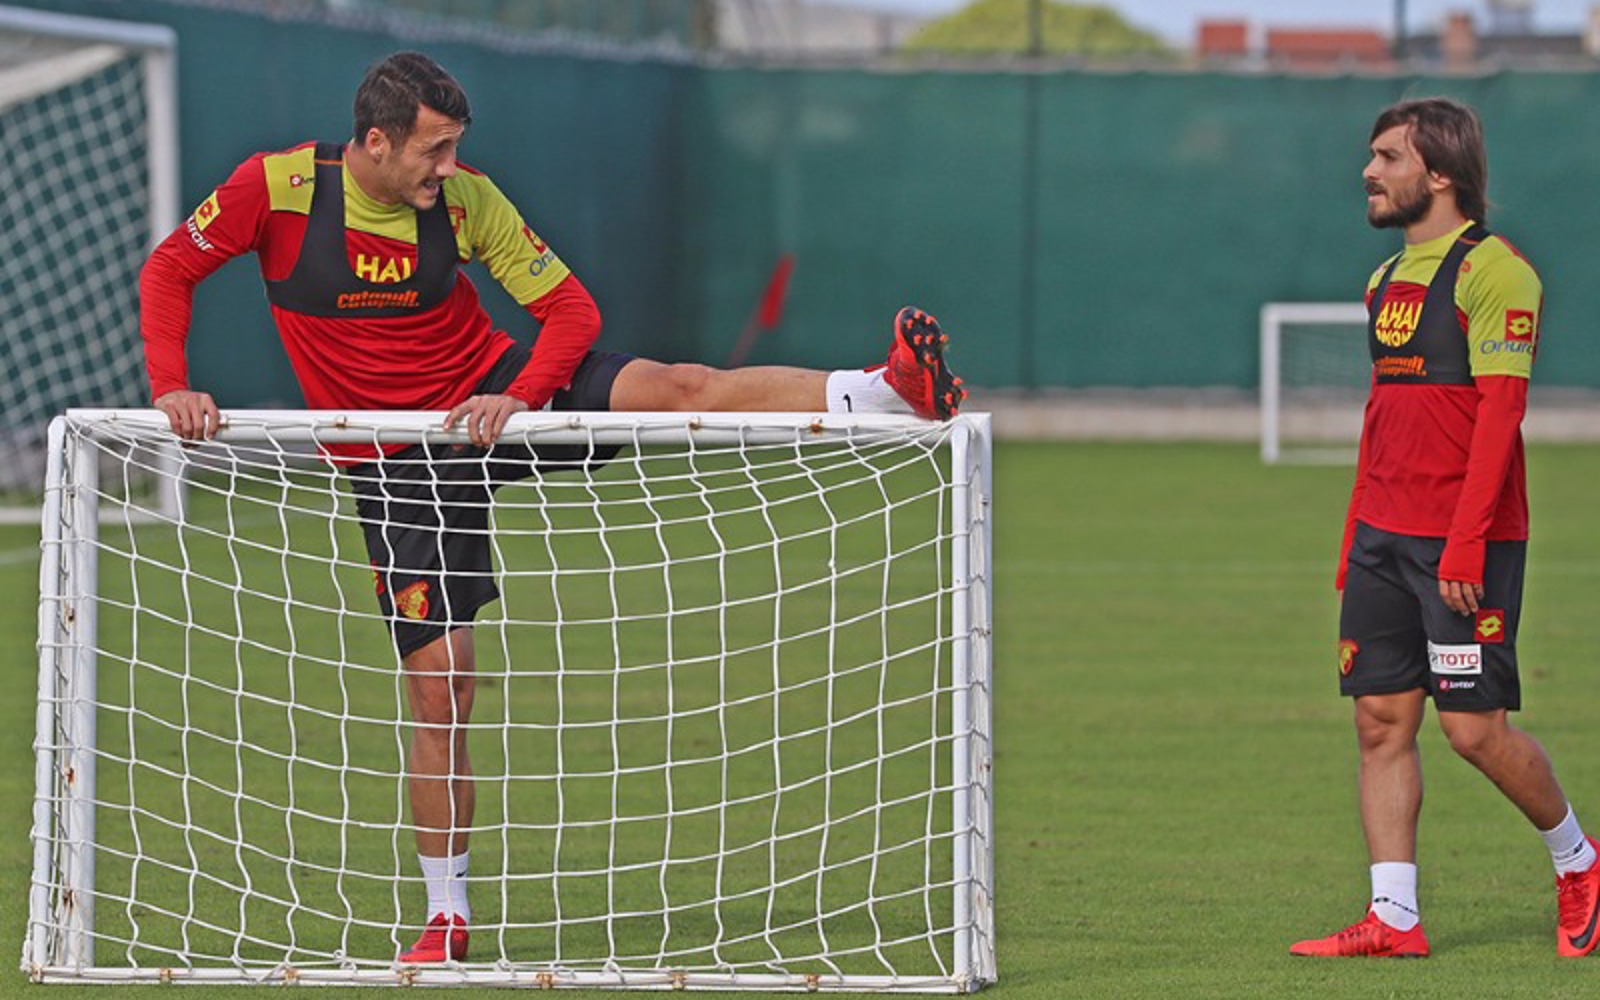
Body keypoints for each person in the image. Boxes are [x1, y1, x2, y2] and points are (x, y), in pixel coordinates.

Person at [139, 51, 966, 965]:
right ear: (375, 141)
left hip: (491, 400)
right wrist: (172, 385)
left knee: (678, 384)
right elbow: (169, 271)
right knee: (442, 687)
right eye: (434, 149)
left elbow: (570, 312)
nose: (449, 166)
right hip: (395, 460)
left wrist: (520, 396)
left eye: (456, 146)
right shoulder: (278, 190)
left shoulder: (465, 201)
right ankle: (445, 918)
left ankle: (883, 389)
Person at [1289, 97, 1600, 959]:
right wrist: (1356, 535)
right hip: (1382, 538)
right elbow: (1383, 416)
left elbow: (1501, 417)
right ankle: (1394, 916)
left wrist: (1465, 543)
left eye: (1387, 157)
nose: (1368, 171)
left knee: (1473, 732)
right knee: (1380, 721)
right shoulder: (1383, 281)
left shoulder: (1497, 272)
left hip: (1466, 543)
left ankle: (1580, 862)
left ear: (1439, 173)